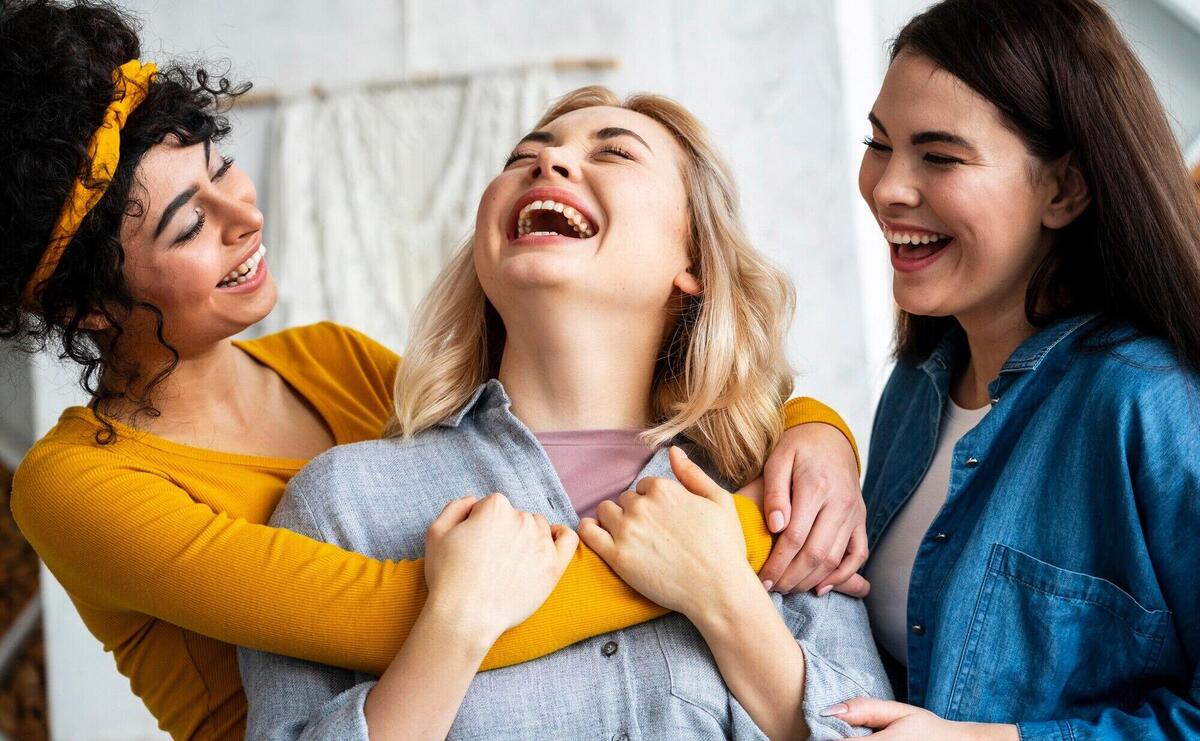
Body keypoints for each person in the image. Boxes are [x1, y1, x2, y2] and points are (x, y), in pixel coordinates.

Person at [1, 1, 868, 738]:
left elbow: (493, 398)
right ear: (88, 306)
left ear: (695, 260)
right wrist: (739, 547)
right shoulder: (83, 485)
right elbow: (380, 612)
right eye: (188, 227)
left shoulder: (332, 361)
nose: (244, 215)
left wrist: (816, 429)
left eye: (224, 167)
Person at [238, 86, 891, 741]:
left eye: (615, 154)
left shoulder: (781, 497)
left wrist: (726, 598)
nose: (546, 166)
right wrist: (453, 626)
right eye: (524, 156)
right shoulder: (345, 502)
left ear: (691, 258)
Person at [823, 0, 1200, 738]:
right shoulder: (918, 385)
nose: (888, 188)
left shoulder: (1148, 402)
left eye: (940, 155)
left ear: (1064, 189)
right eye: (880, 143)